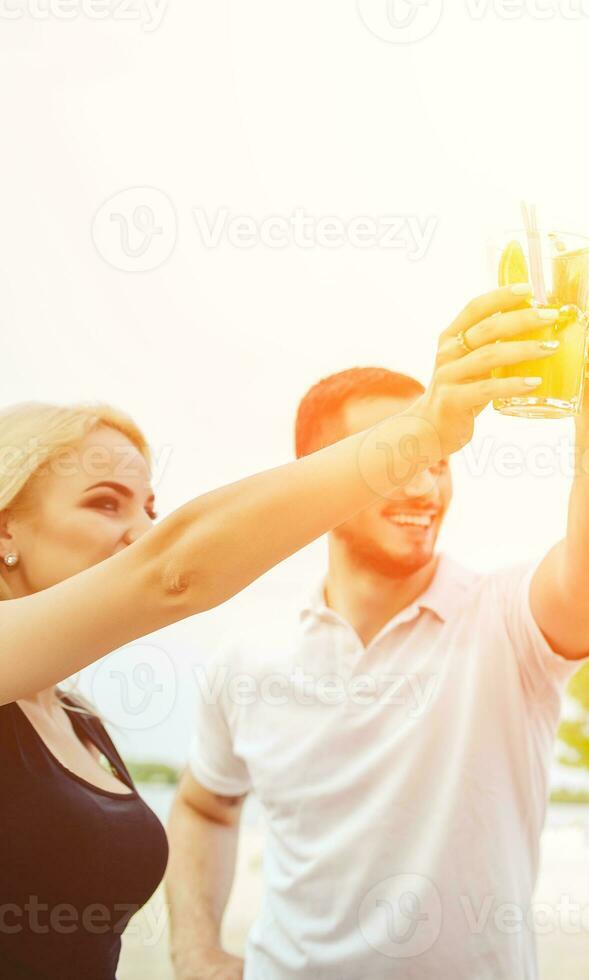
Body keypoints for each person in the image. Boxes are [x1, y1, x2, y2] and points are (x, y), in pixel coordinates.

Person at [0, 285, 545, 978]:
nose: (141, 534)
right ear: (5, 526)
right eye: (105, 503)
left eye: (150, 507)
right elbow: (173, 570)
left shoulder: (78, 723)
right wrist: (427, 430)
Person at [165, 353, 589, 975]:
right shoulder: (249, 655)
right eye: (397, 461)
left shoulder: (507, 620)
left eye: (439, 462)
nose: (426, 489)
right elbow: (206, 805)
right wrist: (195, 952)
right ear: (317, 478)